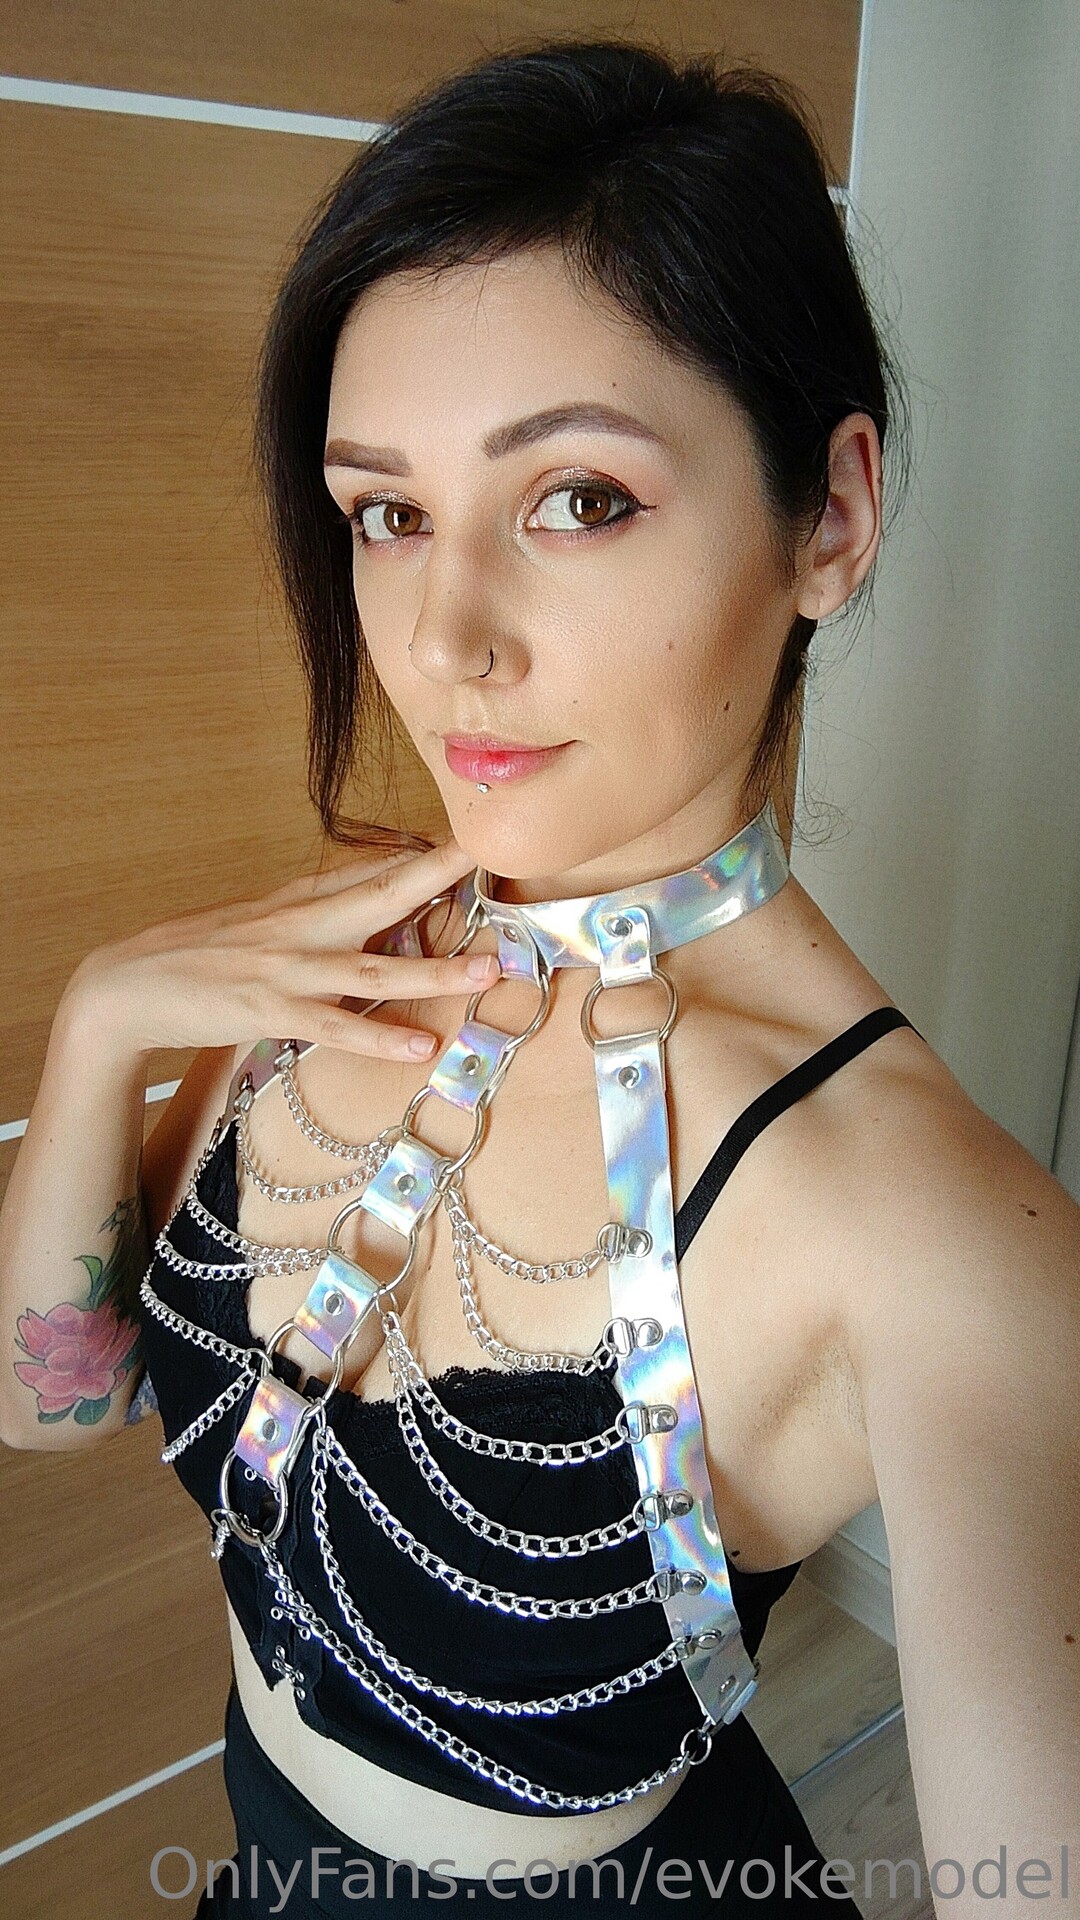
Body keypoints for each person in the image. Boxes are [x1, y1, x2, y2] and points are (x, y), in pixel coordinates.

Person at [2, 36, 1077, 1920]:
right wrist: (101, 1025)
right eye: (386, 513)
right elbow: (55, 1405)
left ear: (829, 518)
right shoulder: (322, 966)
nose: (446, 641)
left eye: (577, 499)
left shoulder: (932, 1226)